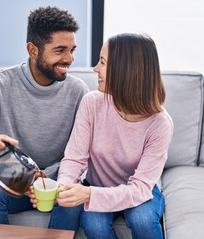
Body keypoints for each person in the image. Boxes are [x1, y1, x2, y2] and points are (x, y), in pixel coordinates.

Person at [0, 6, 89, 224]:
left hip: (60, 178)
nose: (69, 59)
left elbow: (84, 152)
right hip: (14, 176)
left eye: (72, 50)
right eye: (60, 50)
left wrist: (45, 178)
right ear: (33, 50)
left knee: (72, 203)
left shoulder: (78, 91)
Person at [35, 33, 174, 239]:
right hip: (97, 185)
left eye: (102, 62)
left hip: (139, 191)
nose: (95, 69)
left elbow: (140, 188)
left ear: (125, 71)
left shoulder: (160, 123)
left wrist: (90, 195)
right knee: (94, 225)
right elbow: (75, 157)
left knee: (142, 219)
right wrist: (64, 187)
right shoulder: (92, 103)